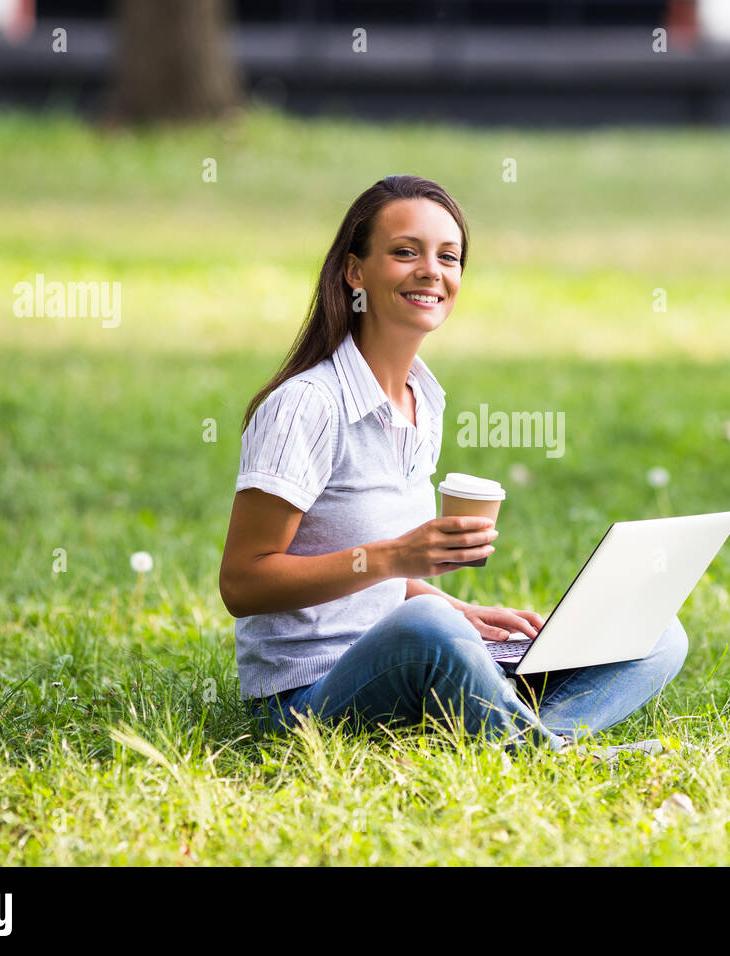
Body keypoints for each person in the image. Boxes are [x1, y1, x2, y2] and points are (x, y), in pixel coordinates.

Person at [218, 174, 688, 758]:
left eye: (449, 256)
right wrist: (401, 563)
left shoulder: (424, 399)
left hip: (415, 656)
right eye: (404, 252)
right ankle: (550, 755)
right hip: (306, 699)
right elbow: (242, 582)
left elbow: (368, 579)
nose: (431, 271)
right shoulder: (306, 406)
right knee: (428, 631)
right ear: (354, 271)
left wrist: (461, 612)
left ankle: (522, 733)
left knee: (654, 632)